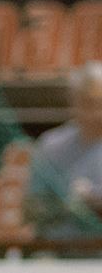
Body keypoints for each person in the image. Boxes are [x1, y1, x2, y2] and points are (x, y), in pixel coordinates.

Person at [26, 60, 102, 239]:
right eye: (87, 103)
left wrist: (93, 201)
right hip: (58, 248)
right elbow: (31, 207)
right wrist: (63, 205)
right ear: (74, 101)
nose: (95, 112)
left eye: (100, 103)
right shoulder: (51, 145)